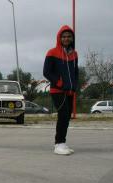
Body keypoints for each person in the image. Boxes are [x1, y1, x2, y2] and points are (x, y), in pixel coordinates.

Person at [43, 25, 78, 155]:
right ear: (59, 38)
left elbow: (75, 72)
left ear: (72, 38)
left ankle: (62, 143)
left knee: (67, 116)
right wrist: (59, 83)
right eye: (63, 36)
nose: (66, 38)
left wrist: (74, 86)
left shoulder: (74, 54)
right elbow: (46, 72)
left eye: (69, 36)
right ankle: (58, 144)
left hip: (69, 91)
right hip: (57, 91)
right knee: (63, 115)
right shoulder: (52, 52)